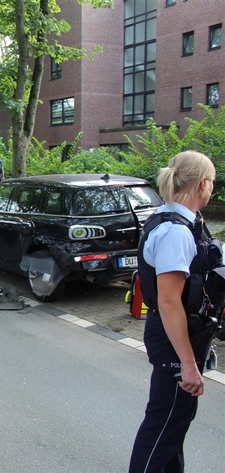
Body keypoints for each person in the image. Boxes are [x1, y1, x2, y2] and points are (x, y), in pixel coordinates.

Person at [129, 150, 219, 473]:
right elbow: (169, 302)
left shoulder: (176, 220)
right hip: (173, 341)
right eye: (211, 181)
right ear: (202, 184)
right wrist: (188, 363)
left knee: (172, 428)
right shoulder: (176, 232)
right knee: (162, 428)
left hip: (175, 338)